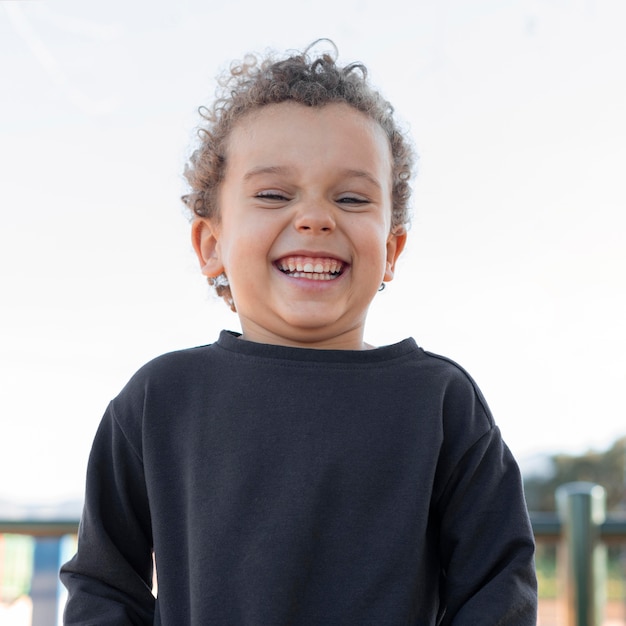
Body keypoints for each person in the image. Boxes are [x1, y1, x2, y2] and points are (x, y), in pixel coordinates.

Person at [60, 41, 537, 624]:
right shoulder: (160, 398)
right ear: (211, 245)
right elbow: (103, 582)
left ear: (390, 251)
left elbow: (497, 585)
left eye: (352, 197)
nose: (315, 216)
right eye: (273, 194)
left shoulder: (441, 403)